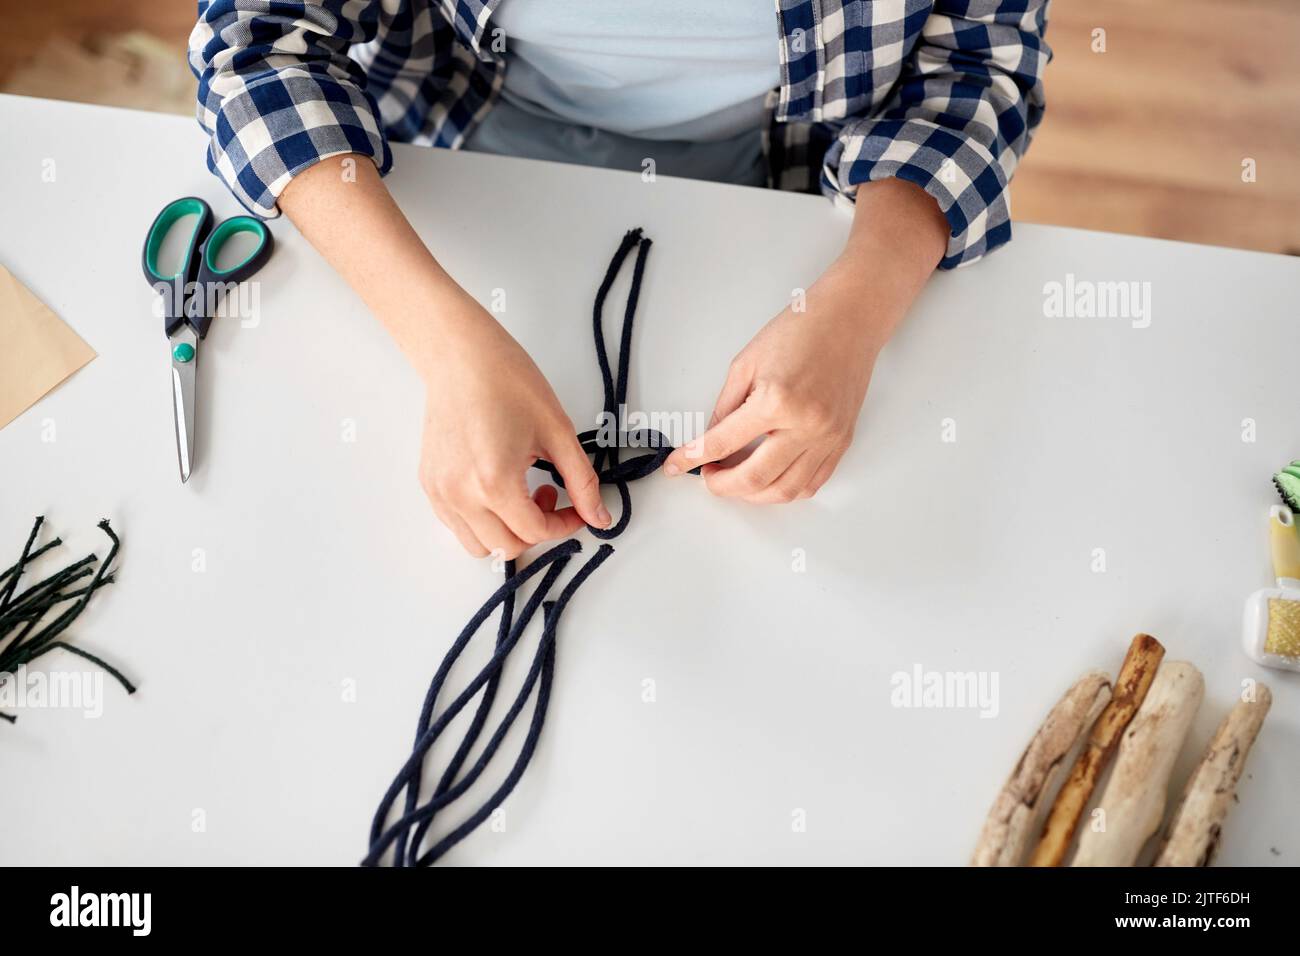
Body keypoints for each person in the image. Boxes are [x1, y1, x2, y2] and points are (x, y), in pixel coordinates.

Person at [189, 0, 1049, 559]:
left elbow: (975, 73)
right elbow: (257, 46)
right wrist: (447, 347)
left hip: (799, 182)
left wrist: (858, 307)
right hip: (446, 160)